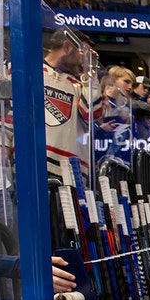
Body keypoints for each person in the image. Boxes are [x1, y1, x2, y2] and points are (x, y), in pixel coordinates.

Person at [43, 27, 103, 184]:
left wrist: (91, 74)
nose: (85, 58)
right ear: (67, 47)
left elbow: (91, 114)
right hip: (35, 160)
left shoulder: (79, 84)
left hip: (72, 168)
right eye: (83, 52)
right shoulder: (31, 71)